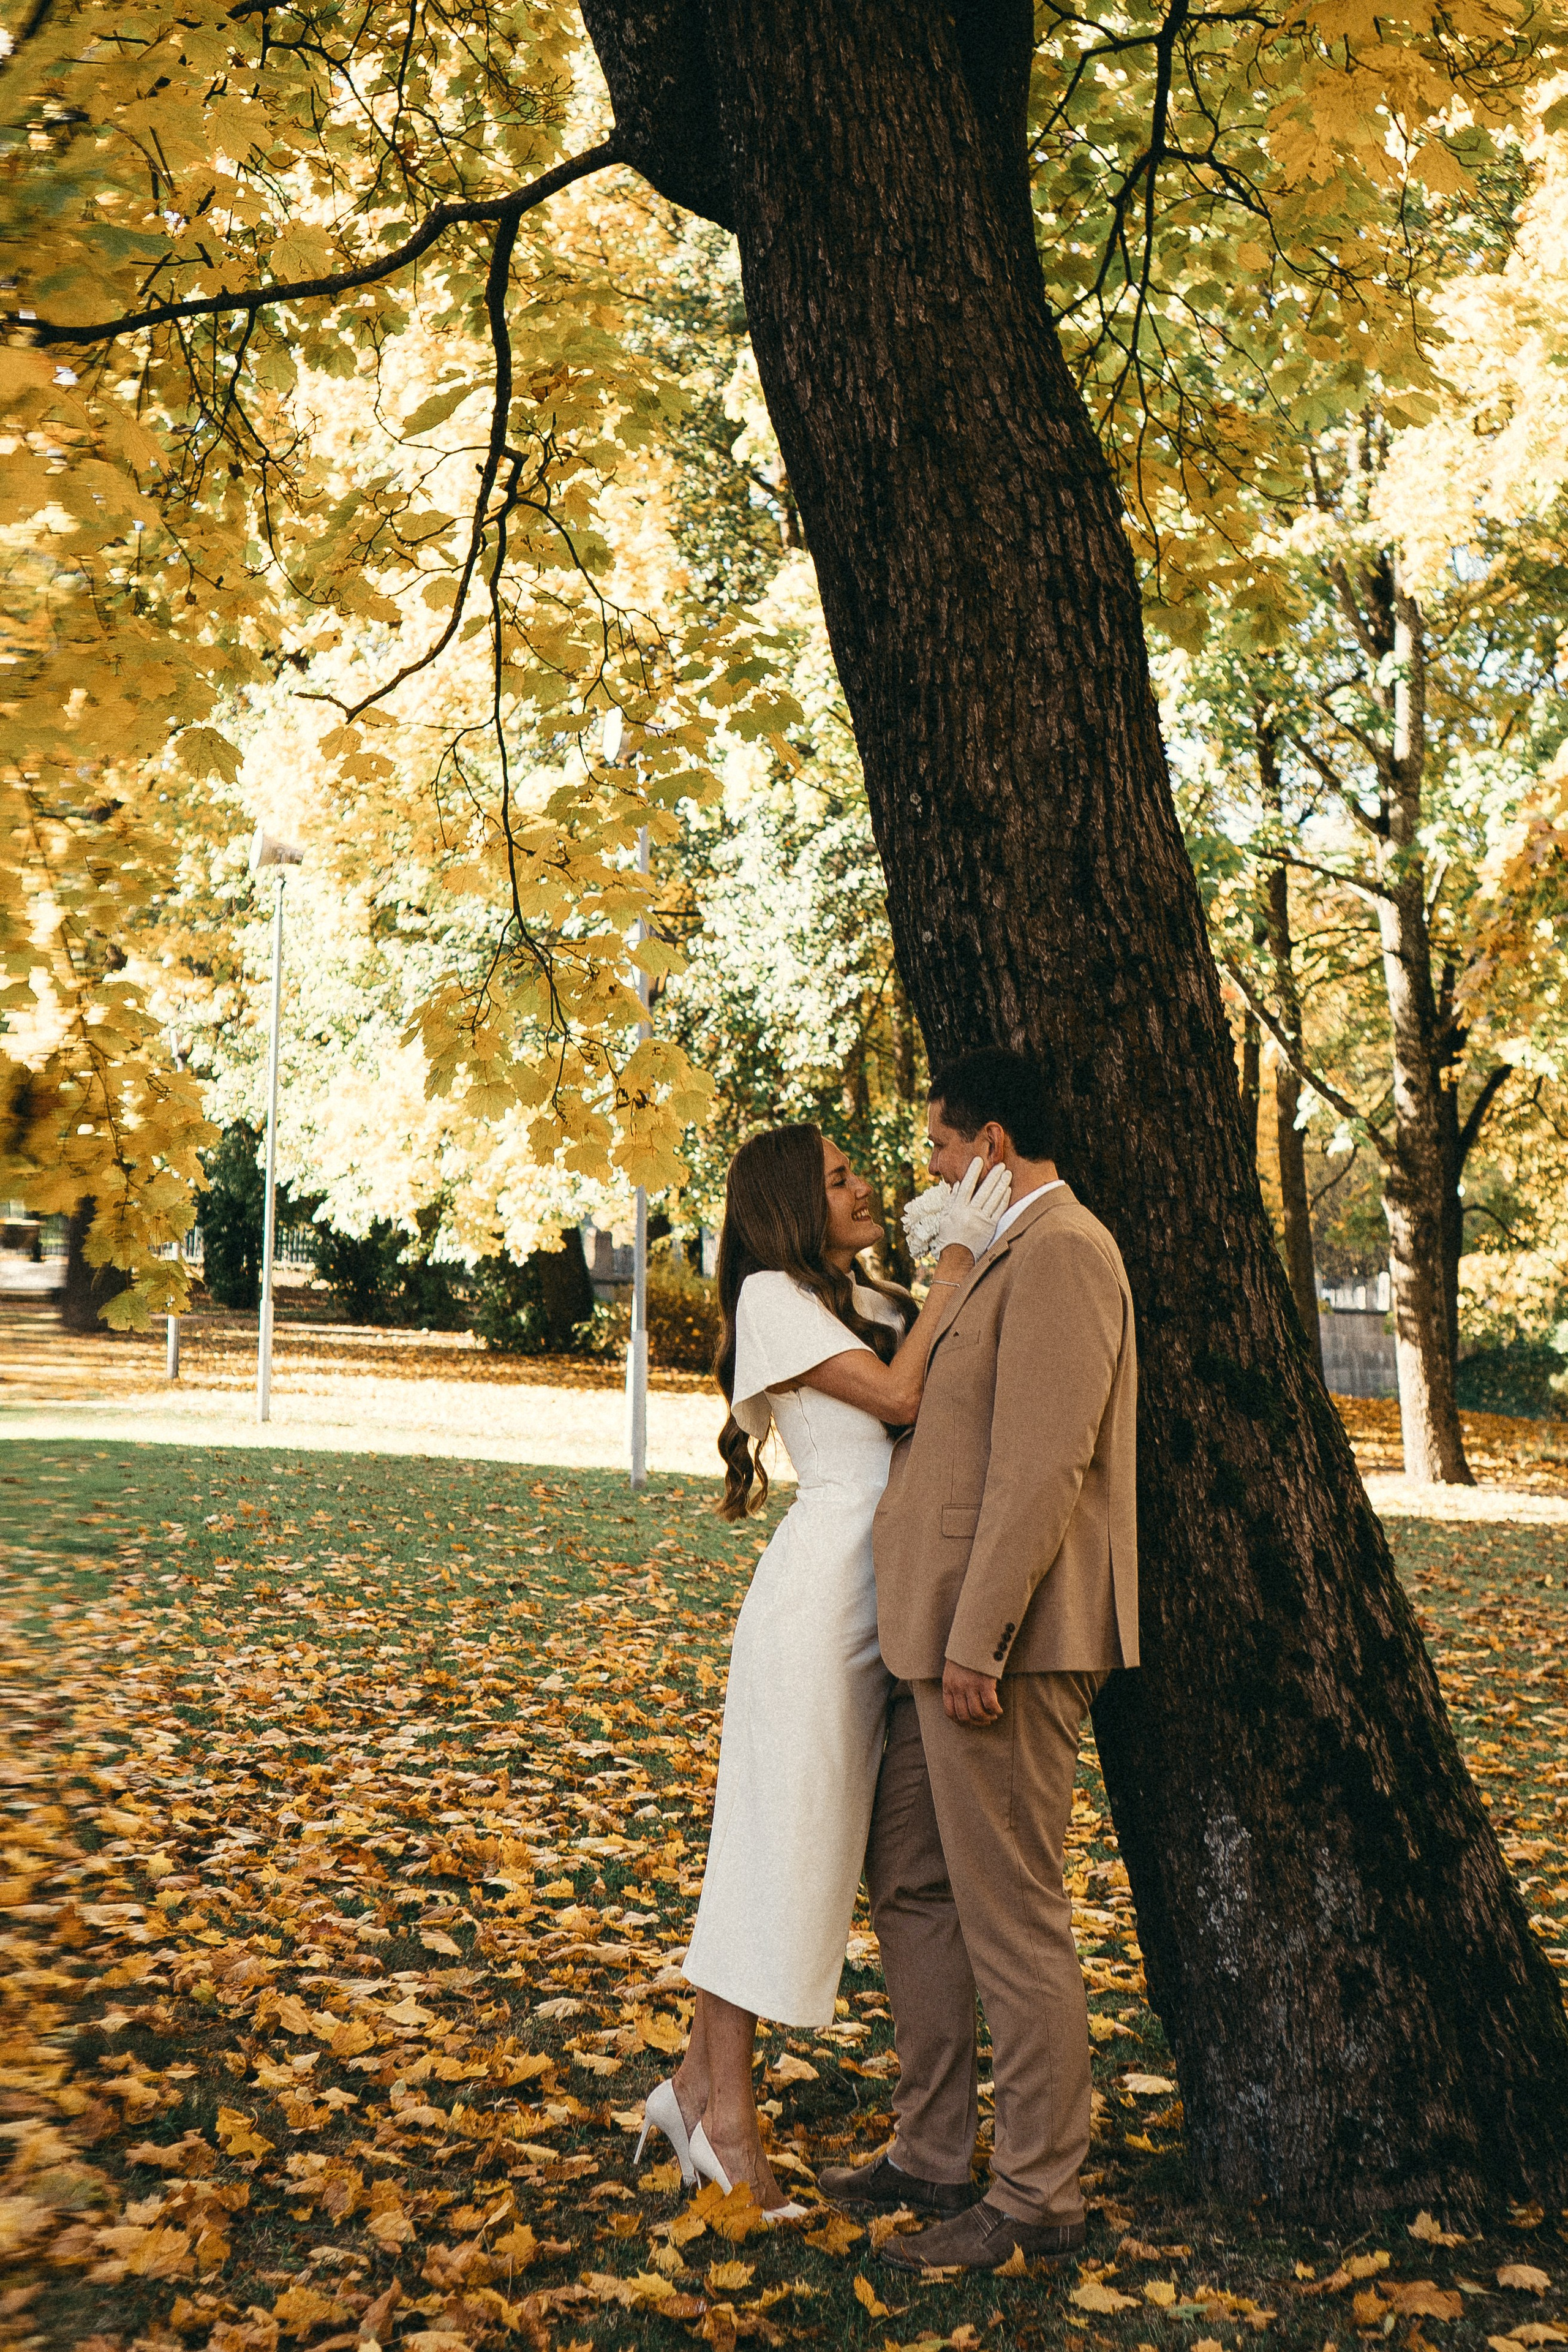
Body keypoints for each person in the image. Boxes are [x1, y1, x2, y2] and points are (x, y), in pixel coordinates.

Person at [633, 1121, 1011, 2214]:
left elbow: (942, 1367)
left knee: (791, 1854)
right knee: (777, 1856)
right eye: (840, 1179)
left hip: (873, 1603)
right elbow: (900, 1399)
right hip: (813, 1610)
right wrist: (953, 1264)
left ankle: (699, 2088)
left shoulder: (865, 1299)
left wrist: (954, 1257)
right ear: (796, 1203)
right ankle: (729, 2128)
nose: (864, 1189)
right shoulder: (768, 1298)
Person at [818, 1046, 1139, 2271]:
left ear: (991, 1146)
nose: (931, 1169)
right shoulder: (1003, 1251)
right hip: (931, 1631)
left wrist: (979, 1639)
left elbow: (1041, 1467)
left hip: (999, 1643)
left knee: (1012, 1919)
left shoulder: (1063, 1252)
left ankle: (1038, 2197)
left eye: (941, 1150)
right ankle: (931, 2149)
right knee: (908, 1883)